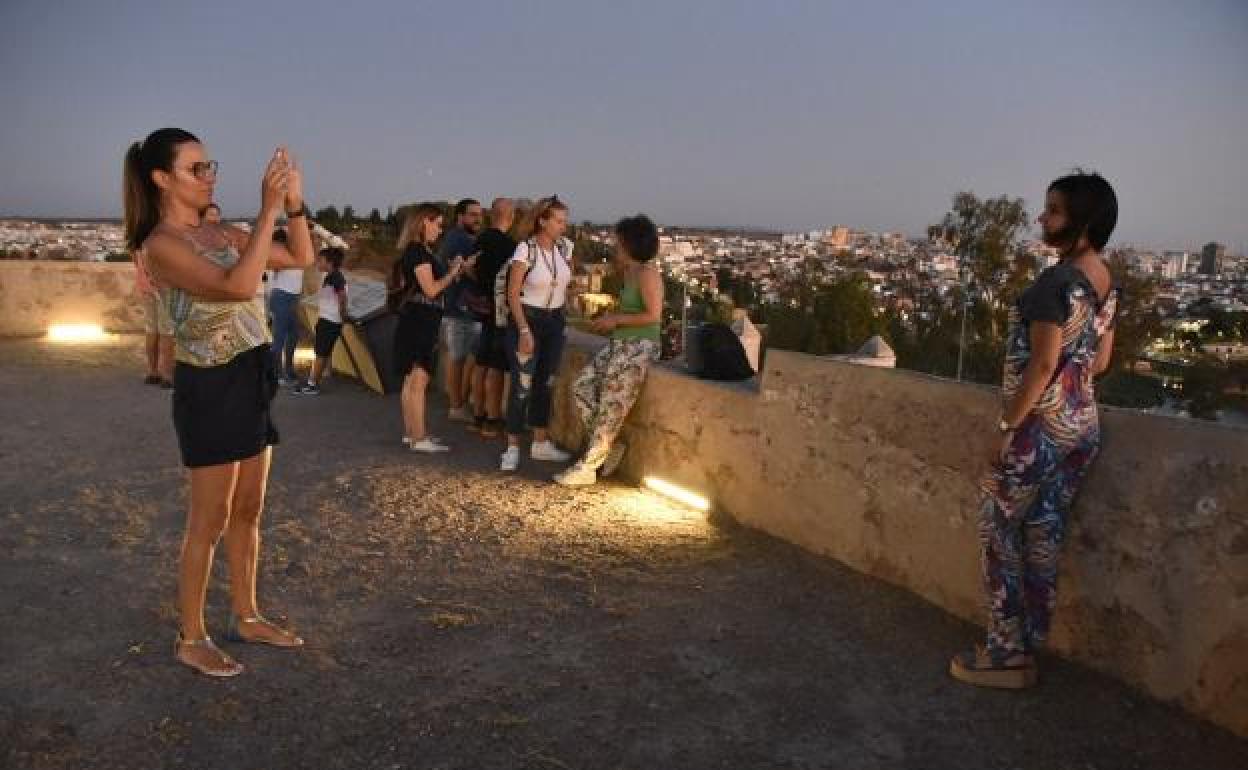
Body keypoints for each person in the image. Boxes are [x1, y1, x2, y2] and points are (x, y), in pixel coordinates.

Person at [124, 128, 313, 677]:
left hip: (252, 374)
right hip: (209, 385)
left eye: (211, 166)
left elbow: (299, 256)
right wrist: (265, 211)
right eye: (197, 169)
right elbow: (235, 286)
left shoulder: (221, 231)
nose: (210, 176)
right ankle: (191, 635)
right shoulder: (162, 244)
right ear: (162, 178)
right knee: (209, 519)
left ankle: (246, 614)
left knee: (249, 510)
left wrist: (293, 202)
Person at [950, 171, 1120, 689]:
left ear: (1083, 222)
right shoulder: (1105, 283)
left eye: (1054, 211)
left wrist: (1009, 426)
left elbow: (1042, 365)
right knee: (1043, 533)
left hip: (1039, 430)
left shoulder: (1055, 283)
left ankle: (1005, 655)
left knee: (996, 530)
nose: (1043, 219)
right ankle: (1029, 643)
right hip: (1082, 426)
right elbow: (1101, 360)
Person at [555, 215, 664, 486]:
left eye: (619, 242)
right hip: (622, 342)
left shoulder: (648, 273)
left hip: (639, 345)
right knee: (583, 385)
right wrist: (611, 318)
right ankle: (606, 447)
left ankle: (589, 466)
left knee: (612, 404)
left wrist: (616, 320)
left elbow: (653, 315)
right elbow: (632, 310)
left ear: (631, 244)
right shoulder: (630, 273)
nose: (615, 247)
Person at [500, 196, 575, 472]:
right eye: (558, 221)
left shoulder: (565, 249)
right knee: (522, 385)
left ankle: (540, 443)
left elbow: (565, 284)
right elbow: (512, 293)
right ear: (542, 221)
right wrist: (523, 329)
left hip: (554, 322)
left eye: (564, 221)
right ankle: (512, 446)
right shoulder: (525, 249)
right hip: (528, 320)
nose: (563, 226)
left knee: (546, 383)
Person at [391, 203, 471, 453]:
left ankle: (412, 433)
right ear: (423, 222)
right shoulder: (418, 252)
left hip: (416, 319)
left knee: (411, 382)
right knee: (419, 380)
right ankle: (419, 438)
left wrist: (453, 270)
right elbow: (432, 289)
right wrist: (452, 273)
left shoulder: (420, 251)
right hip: (420, 322)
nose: (440, 229)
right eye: (437, 224)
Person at [468, 198, 516, 438]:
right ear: (511, 216)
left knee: (481, 364)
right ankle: (493, 419)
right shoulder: (510, 246)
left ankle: (478, 415)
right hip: (499, 313)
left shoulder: (480, 240)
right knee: (496, 367)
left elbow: (472, 271)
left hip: (480, 310)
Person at [437, 198, 484, 422]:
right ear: (460, 217)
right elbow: (461, 271)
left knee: (465, 358)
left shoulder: (460, 238)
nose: (478, 218)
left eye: (480, 214)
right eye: (473, 214)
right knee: (458, 359)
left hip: (464, 308)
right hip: (460, 308)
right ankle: (456, 407)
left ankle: (459, 403)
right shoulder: (459, 240)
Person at [294, 247, 349, 395]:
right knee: (322, 353)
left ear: (329, 262)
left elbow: (343, 296)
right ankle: (314, 381)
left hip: (330, 321)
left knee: (320, 354)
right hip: (327, 320)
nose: (318, 263)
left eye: (321, 260)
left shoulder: (336, 277)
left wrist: (342, 315)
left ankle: (312, 385)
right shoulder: (331, 276)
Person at [267, 228, 306, 386]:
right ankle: (277, 375)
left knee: (294, 335)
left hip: (293, 298)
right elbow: (276, 267)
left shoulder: (296, 253)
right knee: (279, 338)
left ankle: (288, 370)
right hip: (281, 296)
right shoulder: (277, 256)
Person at [134, 242, 174, 388]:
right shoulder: (159, 237)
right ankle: (168, 375)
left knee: (151, 330)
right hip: (164, 287)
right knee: (167, 332)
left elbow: (137, 264)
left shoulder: (137, 238)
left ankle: (153, 372)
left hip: (145, 287)